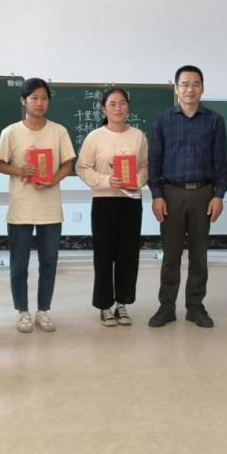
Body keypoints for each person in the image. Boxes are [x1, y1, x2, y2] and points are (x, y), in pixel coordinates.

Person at [147, 65, 227, 328]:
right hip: (170, 194)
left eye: (195, 84)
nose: (190, 89)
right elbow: (154, 161)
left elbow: (220, 162)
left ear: (202, 88)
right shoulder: (162, 120)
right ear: (176, 88)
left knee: (199, 255)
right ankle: (166, 307)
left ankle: (195, 307)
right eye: (184, 84)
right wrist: (157, 195)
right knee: (170, 255)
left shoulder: (215, 121)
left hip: (203, 193)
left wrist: (218, 195)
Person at [0, 78, 75, 333]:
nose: (40, 103)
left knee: (49, 262)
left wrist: (53, 179)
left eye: (44, 98)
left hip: (49, 208)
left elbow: (68, 164)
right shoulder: (11, 132)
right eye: (34, 98)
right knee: (19, 264)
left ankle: (43, 310)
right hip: (21, 208)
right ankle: (22, 311)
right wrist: (20, 170)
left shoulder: (58, 131)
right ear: (23, 100)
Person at [76, 87, 149, 326]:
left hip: (131, 201)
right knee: (104, 254)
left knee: (128, 253)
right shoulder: (94, 137)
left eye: (122, 103)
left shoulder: (138, 136)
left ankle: (122, 303)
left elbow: (145, 166)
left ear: (128, 107)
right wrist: (107, 180)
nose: (118, 108)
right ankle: (104, 305)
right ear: (103, 109)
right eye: (112, 104)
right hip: (104, 201)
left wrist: (136, 181)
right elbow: (82, 168)